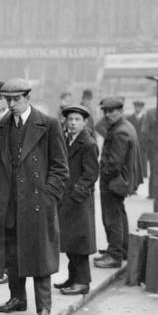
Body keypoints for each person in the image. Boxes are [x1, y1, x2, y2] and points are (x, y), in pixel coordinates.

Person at [0, 78, 68, 315]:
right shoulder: (0, 128)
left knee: (40, 258)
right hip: (10, 202)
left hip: (36, 203)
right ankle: (17, 298)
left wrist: (47, 197)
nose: (11, 104)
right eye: (7, 100)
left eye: (16, 100)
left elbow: (60, 168)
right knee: (12, 253)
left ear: (27, 98)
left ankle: (44, 308)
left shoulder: (48, 124)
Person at [54, 104, 99, 296]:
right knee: (71, 243)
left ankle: (83, 282)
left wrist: (75, 195)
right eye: (70, 119)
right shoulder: (66, 139)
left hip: (79, 202)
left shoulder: (88, 144)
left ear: (85, 122)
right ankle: (73, 278)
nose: (72, 123)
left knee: (80, 244)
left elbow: (90, 175)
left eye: (77, 120)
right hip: (67, 200)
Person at [95, 96, 142, 269]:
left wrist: (103, 175)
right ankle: (121, 249)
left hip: (114, 182)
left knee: (112, 218)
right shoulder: (124, 126)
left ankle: (114, 256)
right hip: (121, 181)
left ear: (121, 111)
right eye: (105, 111)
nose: (107, 115)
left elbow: (114, 163)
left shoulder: (120, 131)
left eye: (111, 111)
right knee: (119, 214)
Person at [126, 100, 150, 180]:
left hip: (142, 145)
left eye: (140, 107)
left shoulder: (146, 119)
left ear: (142, 108)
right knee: (131, 163)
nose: (138, 109)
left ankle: (140, 179)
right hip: (132, 144)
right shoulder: (129, 119)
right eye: (136, 107)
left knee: (142, 163)